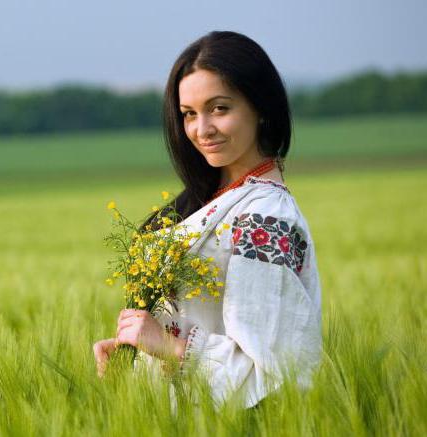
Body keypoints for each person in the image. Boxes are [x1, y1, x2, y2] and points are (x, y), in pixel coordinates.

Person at [92, 30, 322, 409]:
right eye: (189, 114)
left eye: (220, 108)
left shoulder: (263, 218)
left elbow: (274, 374)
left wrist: (167, 346)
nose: (202, 130)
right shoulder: (209, 201)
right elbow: (196, 318)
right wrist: (134, 352)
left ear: (260, 107)